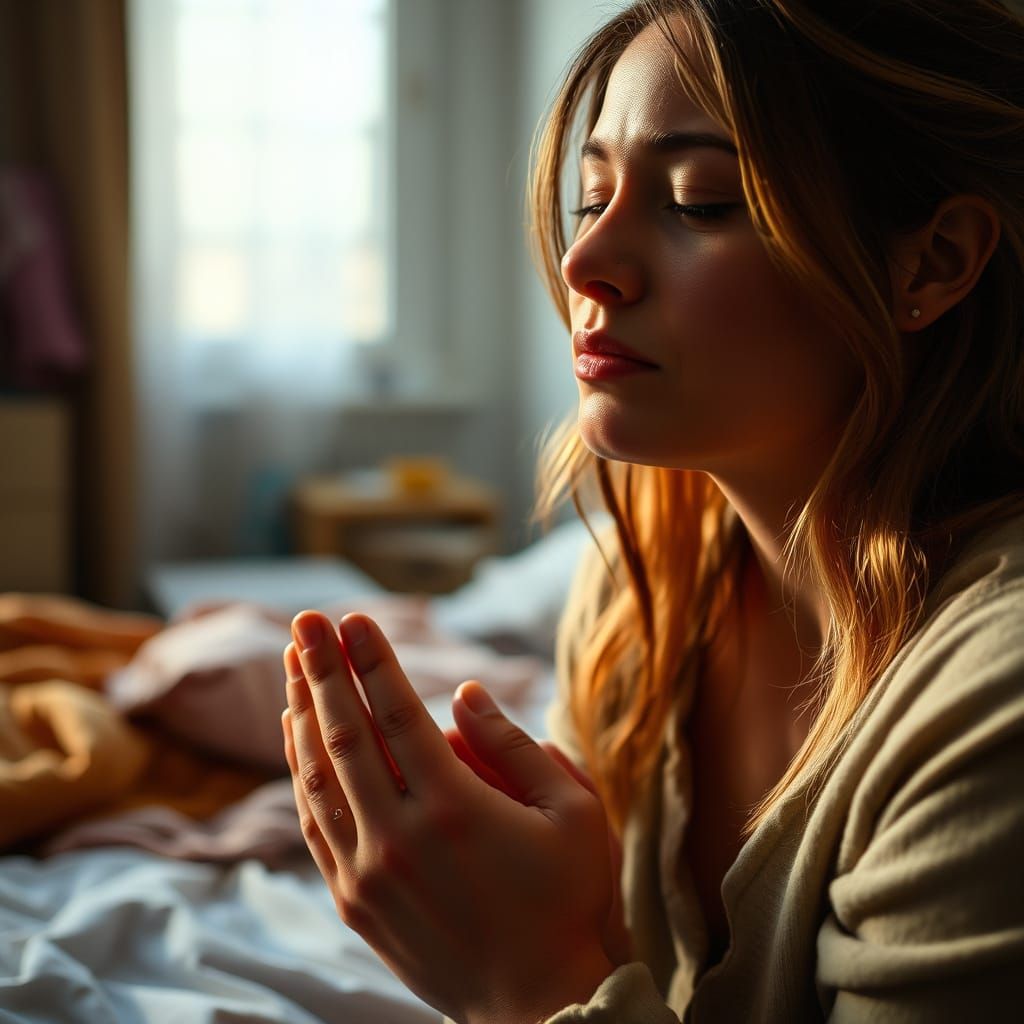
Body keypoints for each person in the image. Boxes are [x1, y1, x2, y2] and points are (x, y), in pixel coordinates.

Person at [280, 0, 1024, 1020]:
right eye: (591, 198)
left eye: (700, 202)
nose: (586, 264)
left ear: (930, 262)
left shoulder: (996, 705)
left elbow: (566, 977)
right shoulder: (637, 598)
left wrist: (522, 976)